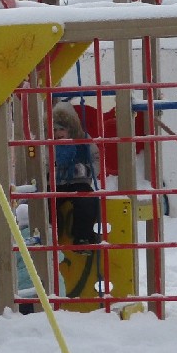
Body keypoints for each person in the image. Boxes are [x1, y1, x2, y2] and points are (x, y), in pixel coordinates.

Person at [51, 102, 100, 246]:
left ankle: (82, 237)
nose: (58, 133)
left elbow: (96, 158)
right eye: (54, 129)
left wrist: (86, 170)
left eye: (62, 129)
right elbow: (43, 162)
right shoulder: (49, 143)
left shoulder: (83, 140)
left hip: (79, 182)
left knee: (88, 201)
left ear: (70, 129)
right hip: (57, 184)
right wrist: (50, 171)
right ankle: (52, 233)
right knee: (48, 202)